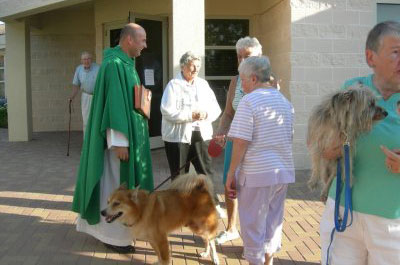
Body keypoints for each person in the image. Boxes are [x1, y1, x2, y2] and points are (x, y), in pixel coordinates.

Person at [319, 21, 400, 265]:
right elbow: (322, 143)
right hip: (343, 214)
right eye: (396, 52)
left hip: (392, 223)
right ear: (370, 57)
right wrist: (328, 147)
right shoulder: (351, 90)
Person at [71, 23, 153, 254]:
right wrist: (119, 142)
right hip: (118, 145)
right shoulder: (114, 64)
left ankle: (122, 233)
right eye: (143, 40)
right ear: (129, 40)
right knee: (115, 186)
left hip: (127, 139)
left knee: (121, 187)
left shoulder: (126, 63)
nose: (145, 45)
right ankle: (113, 236)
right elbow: (114, 104)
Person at [225, 56, 295, 265]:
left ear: (253, 79)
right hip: (281, 173)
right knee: (273, 223)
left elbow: (240, 141)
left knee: (252, 226)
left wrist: (231, 174)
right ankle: (268, 261)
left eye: (243, 80)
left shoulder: (249, 101)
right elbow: (287, 137)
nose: (241, 85)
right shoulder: (284, 101)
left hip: (256, 173)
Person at [213, 36, 263, 244]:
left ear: (259, 57)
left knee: (254, 190)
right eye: (239, 56)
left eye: (248, 56)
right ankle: (232, 228)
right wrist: (221, 131)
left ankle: (256, 235)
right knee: (229, 184)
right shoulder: (235, 81)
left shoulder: (268, 81)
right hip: (235, 142)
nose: (242, 61)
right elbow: (228, 113)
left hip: (257, 144)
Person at [69, 51, 100, 135]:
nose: (86, 61)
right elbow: (76, 85)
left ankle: (95, 143)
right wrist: (72, 96)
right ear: (81, 61)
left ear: (91, 59)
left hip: (97, 96)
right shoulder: (79, 69)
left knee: (97, 120)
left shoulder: (98, 68)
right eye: (84, 59)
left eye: (88, 58)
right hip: (86, 96)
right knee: (86, 120)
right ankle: (86, 142)